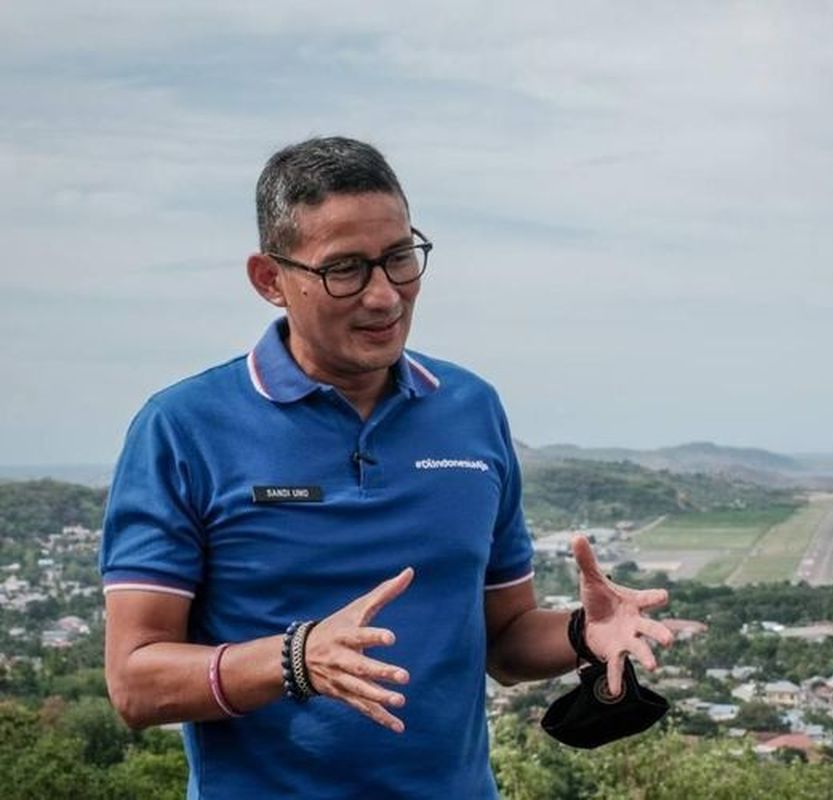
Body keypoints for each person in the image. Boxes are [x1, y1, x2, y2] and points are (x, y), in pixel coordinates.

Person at [100, 136, 673, 798]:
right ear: (270, 280)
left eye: (400, 259)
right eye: (345, 269)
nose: (384, 296)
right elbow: (135, 683)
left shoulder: (471, 409)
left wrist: (582, 632)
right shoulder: (183, 428)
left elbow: (506, 642)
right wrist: (294, 660)